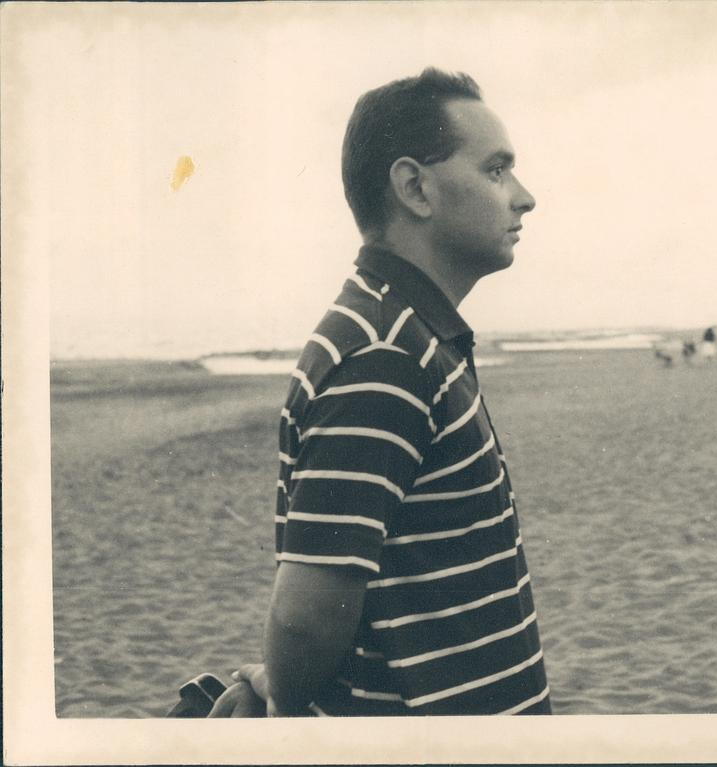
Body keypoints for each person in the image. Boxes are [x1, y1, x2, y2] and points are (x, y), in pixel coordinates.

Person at [209, 68, 550, 717]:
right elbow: (308, 615)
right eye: (496, 170)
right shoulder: (383, 355)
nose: (524, 197)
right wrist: (284, 695)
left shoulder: (411, 334)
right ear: (415, 188)